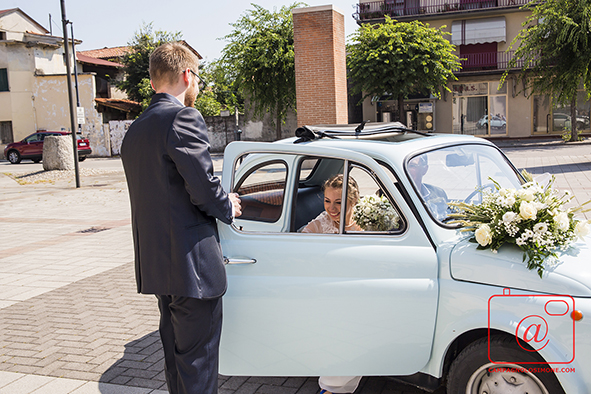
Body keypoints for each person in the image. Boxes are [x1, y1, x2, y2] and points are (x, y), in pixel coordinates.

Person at [120, 42, 241, 394]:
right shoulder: (182, 117)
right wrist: (228, 206)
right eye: (198, 78)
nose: (199, 86)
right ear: (187, 76)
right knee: (198, 368)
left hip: (158, 267)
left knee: (177, 365)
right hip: (192, 268)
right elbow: (203, 188)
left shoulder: (136, 128)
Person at [301, 174, 362, 394]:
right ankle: (331, 388)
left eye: (339, 202)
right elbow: (298, 244)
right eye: (327, 201)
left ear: (353, 201)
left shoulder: (366, 224)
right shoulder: (322, 222)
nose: (331, 208)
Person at [407, 155, 448, 220]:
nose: (406, 169)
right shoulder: (392, 194)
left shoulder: (439, 193)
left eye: (412, 166)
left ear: (424, 169)